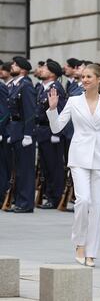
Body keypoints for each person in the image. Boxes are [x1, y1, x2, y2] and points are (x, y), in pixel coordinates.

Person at [46, 64, 100, 267]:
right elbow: (57, 127)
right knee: (83, 201)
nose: (84, 80)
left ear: (98, 79)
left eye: (89, 76)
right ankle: (79, 242)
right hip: (78, 157)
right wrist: (53, 109)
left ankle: (91, 252)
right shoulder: (73, 101)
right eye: (83, 77)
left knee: (97, 207)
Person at [6, 56, 36, 213]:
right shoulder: (14, 85)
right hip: (15, 129)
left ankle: (26, 203)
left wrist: (28, 134)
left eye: (15, 65)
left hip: (23, 131)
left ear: (23, 70)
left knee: (25, 169)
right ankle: (18, 200)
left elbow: (30, 112)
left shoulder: (26, 86)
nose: (12, 66)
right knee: (17, 168)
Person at [36, 59, 66, 209]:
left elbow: (60, 111)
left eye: (45, 69)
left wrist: (57, 133)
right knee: (46, 166)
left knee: (54, 166)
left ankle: (55, 197)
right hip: (42, 131)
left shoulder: (56, 88)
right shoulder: (43, 87)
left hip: (51, 131)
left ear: (53, 73)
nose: (41, 70)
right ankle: (49, 194)